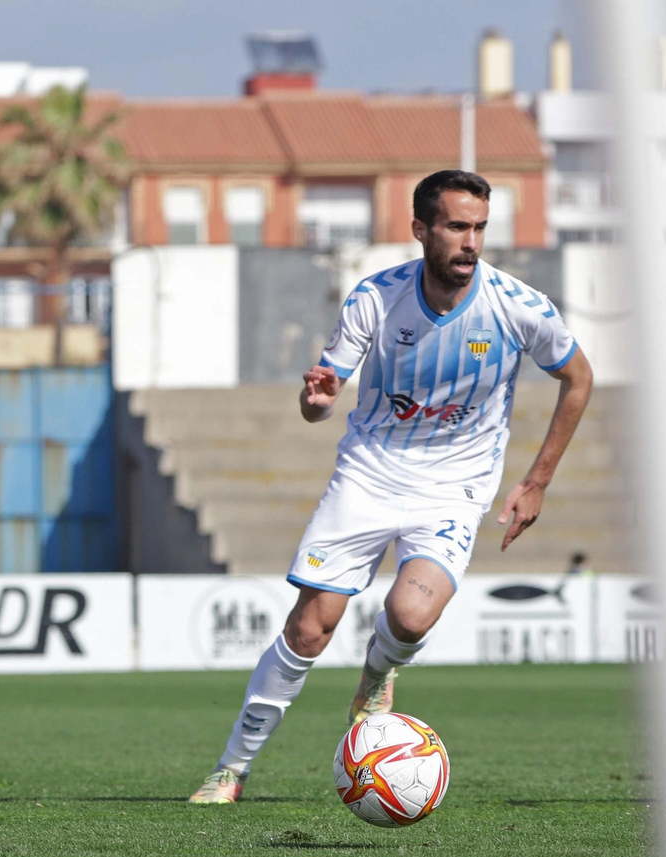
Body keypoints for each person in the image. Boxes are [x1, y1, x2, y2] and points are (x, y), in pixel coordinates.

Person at [189, 170, 594, 804]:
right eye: (456, 227)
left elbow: (579, 378)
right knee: (310, 630)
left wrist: (536, 481)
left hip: (455, 485)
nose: (471, 242)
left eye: (480, 228)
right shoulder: (375, 298)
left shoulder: (518, 306)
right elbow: (321, 402)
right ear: (421, 230)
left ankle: (377, 675)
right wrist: (317, 401)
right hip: (369, 474)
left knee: (409, 615)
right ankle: (231, 769)